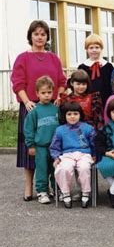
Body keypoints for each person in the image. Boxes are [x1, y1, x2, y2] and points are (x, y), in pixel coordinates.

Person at [11, 20, 66, 201]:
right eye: (36, 34)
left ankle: (50, 187)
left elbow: (61, 82)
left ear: (47, 37)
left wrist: (59, 97)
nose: (39, 37)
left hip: (51, 108)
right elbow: (18, 82)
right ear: (30, 36)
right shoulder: (22, 58)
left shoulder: (53, 58)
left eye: (43, 34)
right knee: (31, 150)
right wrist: (27, 102)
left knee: (50, 150)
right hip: (31, 107)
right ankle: (29, 187)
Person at [50, 102, 96, 209]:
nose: (72, 117)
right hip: (67, 154)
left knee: (84, 168)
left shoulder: (88, 128)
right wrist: (56, 157)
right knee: (64, 168)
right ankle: (65, 193)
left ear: (80, 115)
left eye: (75, 114)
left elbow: (95, 143)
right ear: (64, 115)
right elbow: (55, 146)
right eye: (69, 114)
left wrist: (95, 154)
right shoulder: (60, 130)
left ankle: (85, 192)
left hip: (84, 153)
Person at [23, 76, 60, 204]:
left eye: (49, 92)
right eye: (43, 93)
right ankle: (42, 191)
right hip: (41, 147)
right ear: (37, 93)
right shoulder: (34, 111)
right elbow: (28, 130)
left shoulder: (56, 109)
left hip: (55, 147)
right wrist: (31, 145)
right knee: (42, 169)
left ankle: (56, 190)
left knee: (56, 169)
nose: (46, 95)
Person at [78, 34, 114, 105]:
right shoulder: (82, 67)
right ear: (86, 49)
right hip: (87, 102)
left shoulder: (108, 66)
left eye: (97, 47)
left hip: (106, 100)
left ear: (101, 48)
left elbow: (112, 85)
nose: (94, 50)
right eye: (91, 48)